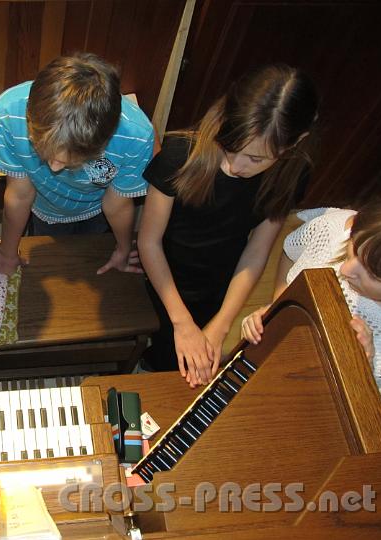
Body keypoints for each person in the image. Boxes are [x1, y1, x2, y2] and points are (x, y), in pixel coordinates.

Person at [138, 64, 318, 388]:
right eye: (231, 148)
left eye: (256, 159)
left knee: (186, 364)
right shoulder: (180, 155)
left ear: (294, 143)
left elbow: (256, 250)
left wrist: (221, 324)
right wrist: (182, 322)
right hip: (161, 273)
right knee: (157, 341)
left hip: (222, 279)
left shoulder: (292, 174)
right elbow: (149, 241)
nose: (237, 166)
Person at [0, 53, 155, 276]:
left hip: (97, 210)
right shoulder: (11, 112)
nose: (55, 168)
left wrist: (123, 249)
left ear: (103, 142)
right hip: (44, 206)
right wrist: (8, 253)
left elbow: (116, 206)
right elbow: (19, 195)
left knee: (84, 262)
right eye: (43, 151)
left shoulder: (136, 135)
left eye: (70, 161)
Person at [241, 199, 381, 417]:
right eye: (353, 247)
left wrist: (363, 368)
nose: (346, 269)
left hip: (312, 410)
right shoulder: (332, 229)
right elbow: (291, 252)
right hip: (264, 370)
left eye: (372, 275)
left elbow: (379, 426)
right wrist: (279, 306)